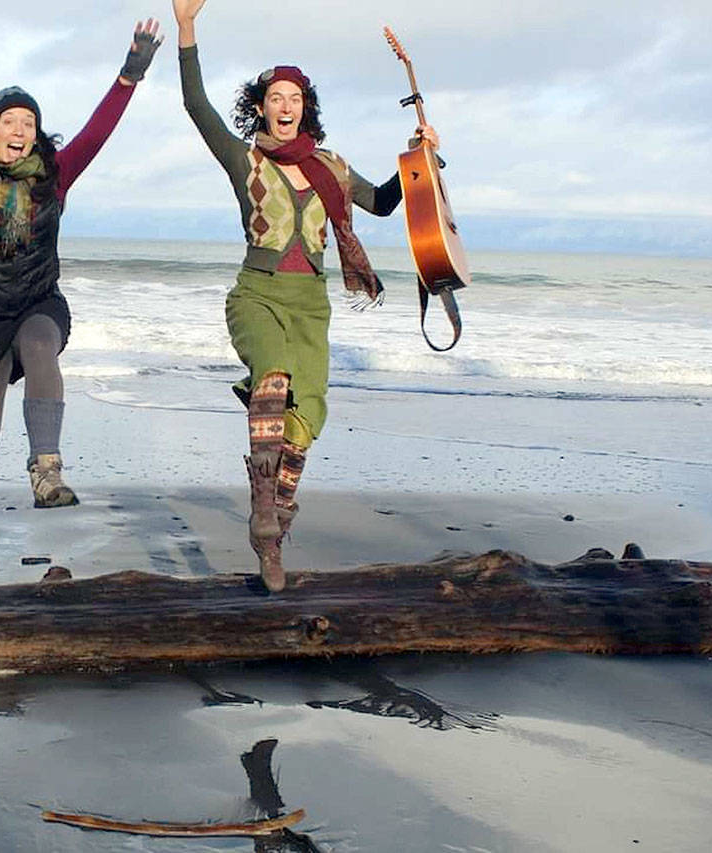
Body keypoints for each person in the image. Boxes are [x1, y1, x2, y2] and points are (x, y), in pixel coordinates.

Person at [171, 0, 437, 592]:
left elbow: (388, 202)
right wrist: (187, 29)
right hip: (256, 294)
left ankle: (273, 535)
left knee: (306, 419)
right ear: (261, 106)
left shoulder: (331, 167)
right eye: (275, 98)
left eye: (294, 98)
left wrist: (423, 157)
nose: (285, 107)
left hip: (312, 303)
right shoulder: (243, 158)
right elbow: (196, 106)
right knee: (273, 379)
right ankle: (263, 516)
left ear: (304, 107)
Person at [0, 13, 163, 585]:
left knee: (40, 343)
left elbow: (98, 132)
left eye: (29, 121)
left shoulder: (55, 176)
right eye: (10, 119)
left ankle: (47, 468)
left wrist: (131, 71)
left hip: (37, 301)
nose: (20, 128)